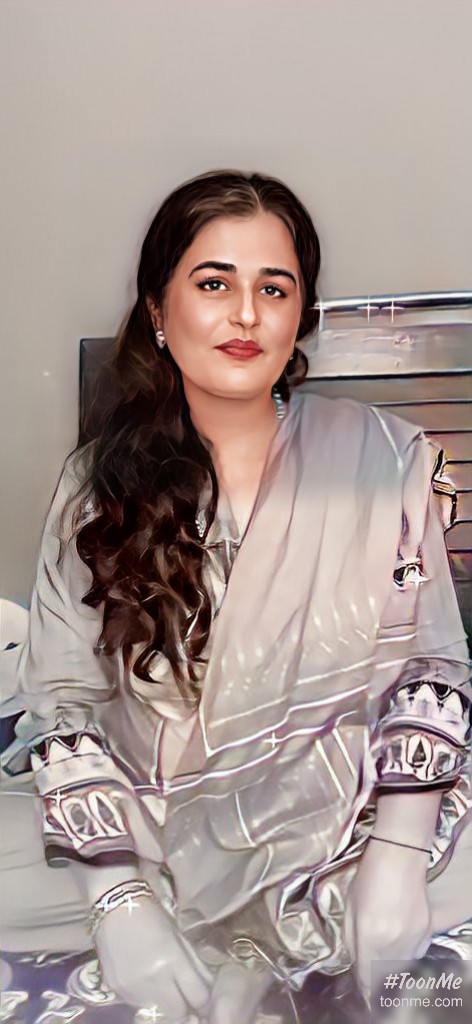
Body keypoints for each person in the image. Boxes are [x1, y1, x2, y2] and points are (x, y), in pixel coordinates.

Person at [1, 169, 471, 1024]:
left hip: (346, 811)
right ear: (159, 308)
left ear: (301, 316)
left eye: (274, 289)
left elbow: (431, 663)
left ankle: (291, 928)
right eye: (214, 284)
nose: (247, 314)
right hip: (160, 824)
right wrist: (117, 900)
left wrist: (400, 856)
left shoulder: (386, 458)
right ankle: (236, 932)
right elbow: (60, 698)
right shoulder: (98, 485)